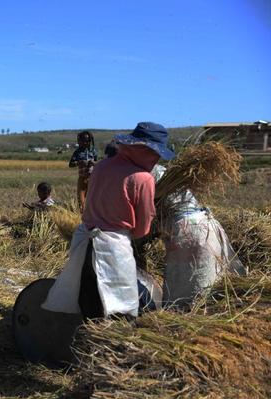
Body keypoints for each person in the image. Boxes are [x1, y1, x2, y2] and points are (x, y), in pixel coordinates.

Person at [42, 122, 175, 320]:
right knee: (119, 305)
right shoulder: (143, 179)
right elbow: (142, 227)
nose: (156, 160)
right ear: (141, 149)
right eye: (155, 154)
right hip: (114, 248)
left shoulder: (101, 166)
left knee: (87, 298)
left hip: (83, 242)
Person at [151, 165, 246, 308]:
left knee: (190, 294)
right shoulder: (160, 170)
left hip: (188, 232)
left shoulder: (144, 175)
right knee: (213, 283)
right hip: (204, 223)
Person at [69, 131, 98, 212]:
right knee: (81, 202)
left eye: (86, 141)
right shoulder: (77, 152)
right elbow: (71, 164)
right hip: (82, 179)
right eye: (81, 141)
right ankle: (83, 217)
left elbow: (98, 164)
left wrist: (93, 163)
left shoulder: (93, 151)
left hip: (93, 179)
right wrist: (79, 162)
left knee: (92, 201)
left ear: (89, 141)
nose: (84, 143)